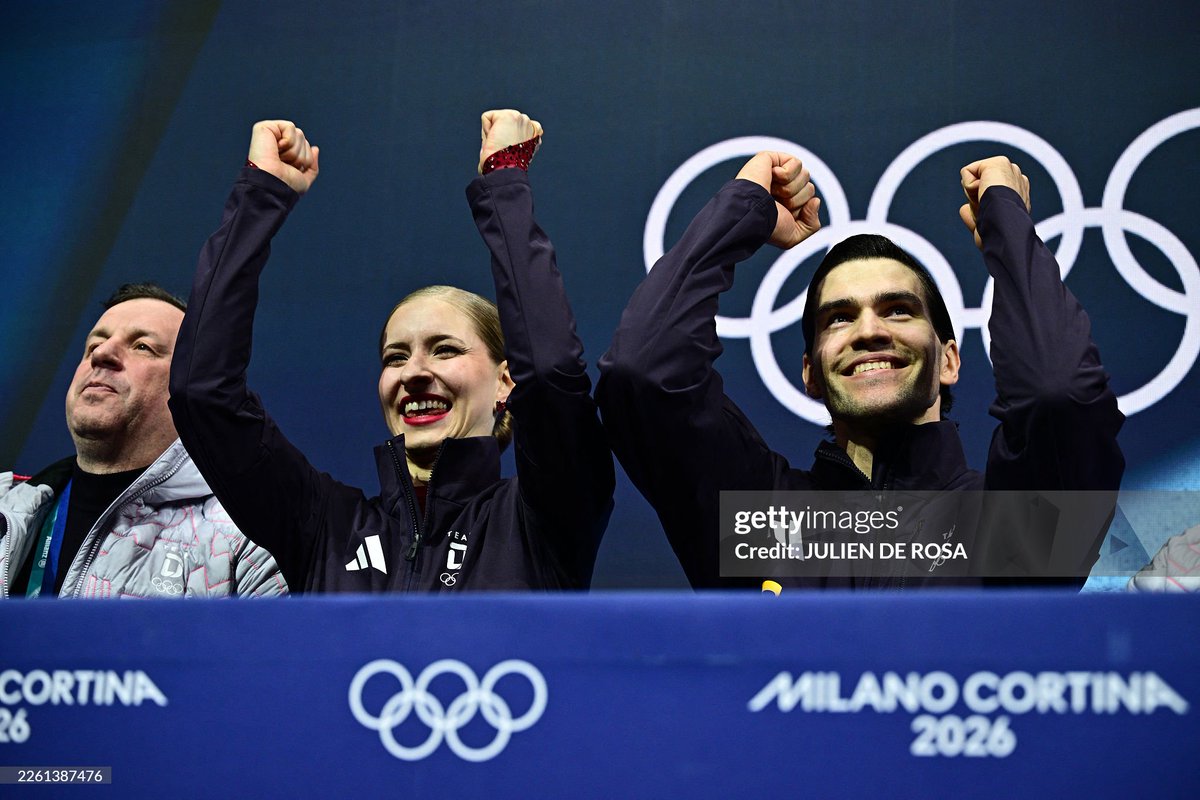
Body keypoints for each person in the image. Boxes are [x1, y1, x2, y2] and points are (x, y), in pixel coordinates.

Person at [596, 152, 1125, 588]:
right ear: (811, 374)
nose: (869, 331)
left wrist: (1008, 230)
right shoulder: (755, 517)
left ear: (950, 359)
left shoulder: (1008, 519)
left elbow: (1061, 396)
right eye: (839, 317)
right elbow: (644, 371)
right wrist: (744, 208)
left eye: (898, 309)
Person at [168, 111, 613, 592]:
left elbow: (550, 372)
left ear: (506, 382)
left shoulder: (546, 515)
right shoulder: (323, 525)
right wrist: (260, 197)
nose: (414, 373)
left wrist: (504, 180)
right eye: (395, 358)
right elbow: (201, 394)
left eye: (444, 350)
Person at [0, 284, 286, 598]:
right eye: (95, 343)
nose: (102, 354)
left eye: (142, 347)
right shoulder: (5, 505)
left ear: (191, 389)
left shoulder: (247, 542)